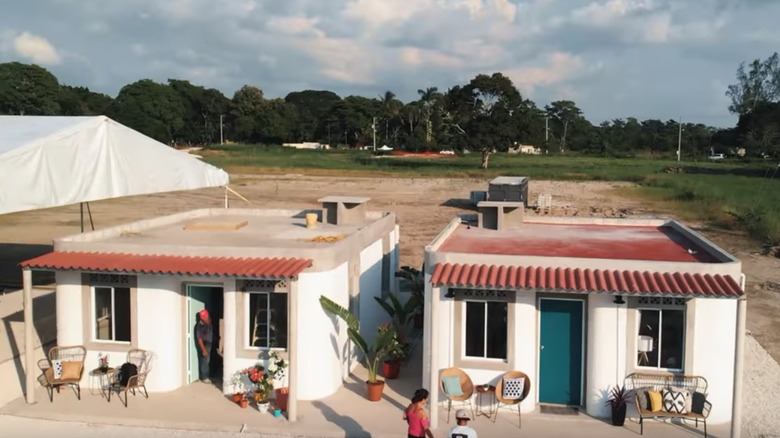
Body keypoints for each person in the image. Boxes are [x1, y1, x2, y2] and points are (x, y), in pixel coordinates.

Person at [195, 308, 213, 383]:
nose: (206, 318)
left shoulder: (209, 320)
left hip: (210, 341)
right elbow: (199, 339)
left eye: (206, 317)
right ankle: (204, 377)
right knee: (205, 360)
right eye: (204, 317)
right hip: (204, 343)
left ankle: (209, 374)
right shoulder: (199, 326)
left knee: (209, 360)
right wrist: (203, 349)